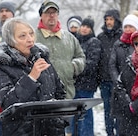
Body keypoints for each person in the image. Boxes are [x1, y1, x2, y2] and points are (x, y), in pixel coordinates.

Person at [0, 17, 67, 136]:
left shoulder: (41, 58)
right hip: (22, 132)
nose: (30, 39)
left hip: (52, 130)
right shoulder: (2, 66)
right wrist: (31, 78)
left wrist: (59, 119)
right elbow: (7, 103)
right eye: (22, 36)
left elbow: (60, 92)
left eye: (31, 34)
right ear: (11, 41)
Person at [36, 1, 85, 135]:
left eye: (54, 12)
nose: (51, 16)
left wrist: (73, 67)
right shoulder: (33, 36)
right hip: (39, 97)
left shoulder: (69, 37)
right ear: (41, 15)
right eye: (48, 12)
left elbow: (81, 56)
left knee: (65, 130)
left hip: (66, 94)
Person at [70, 16, 101, 136]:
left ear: (91, 29)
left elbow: (93, 63)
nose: (84, 29)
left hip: (87, 84)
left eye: (87, 27)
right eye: (83, 26)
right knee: (74, 113)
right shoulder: (75, 40)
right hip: (75, 84)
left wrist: (75, 68)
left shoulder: (94, 42)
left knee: (86, 113)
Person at [97, 9, 123, 136]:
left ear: (116, 20)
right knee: (107, 110)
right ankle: (109, 133)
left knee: (118, 110)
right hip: (104, 80)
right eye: (106, 19)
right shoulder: (100, 37)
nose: (108, 22)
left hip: (119, 80)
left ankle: (119, 133)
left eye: (111, 19)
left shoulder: (123, 37)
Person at [109, 10, 138, 85]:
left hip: (137, 84)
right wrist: (117, 80)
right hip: (120, 84)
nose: (128, 29)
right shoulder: (118, 44)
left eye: (130, 26)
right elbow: (112, 64)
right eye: (126, 27)